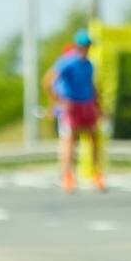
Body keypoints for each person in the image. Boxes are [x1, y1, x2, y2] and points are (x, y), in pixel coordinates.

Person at [42, 30, 102, 193]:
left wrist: (99, 106)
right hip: (71, 105)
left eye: (88, 46)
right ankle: (68, 176)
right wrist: (60, 100)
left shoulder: (89, 64)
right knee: (70, 140)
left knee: (93, 137)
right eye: (84, 46)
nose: (87, 49)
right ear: (78, 46)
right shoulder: (67, 62)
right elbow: (48, 82)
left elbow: (92, 86)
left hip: (87, 104)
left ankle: (97, 174)